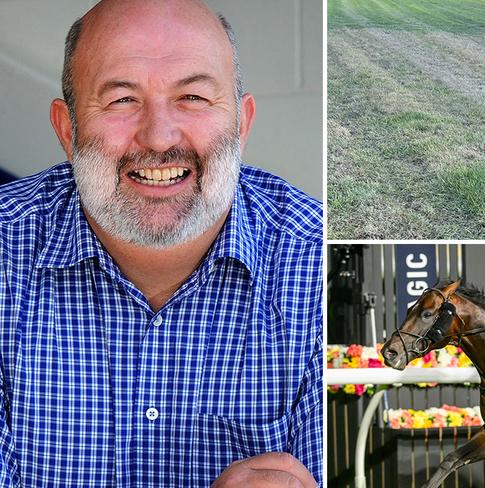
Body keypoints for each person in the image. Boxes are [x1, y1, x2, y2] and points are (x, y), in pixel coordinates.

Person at [0, 1, 321, 487]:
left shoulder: (317, 262)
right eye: (121, 100)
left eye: (192, 97)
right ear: (68, 131)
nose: (158, 136)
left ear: (242, 124)